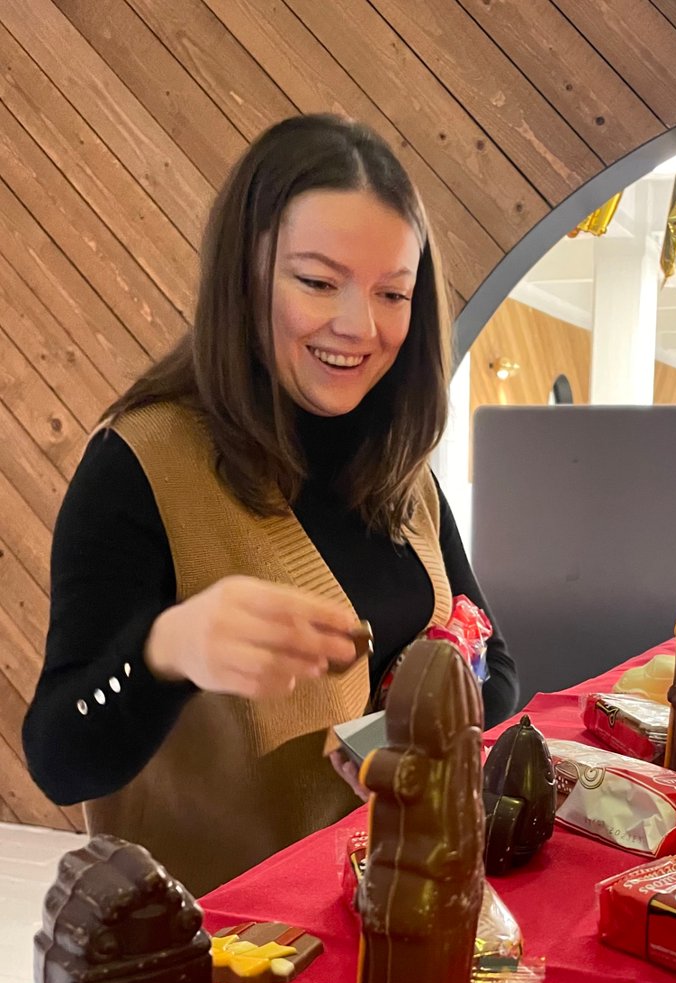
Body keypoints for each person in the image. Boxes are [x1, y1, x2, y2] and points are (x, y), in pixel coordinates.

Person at [22, 115, 518, 896]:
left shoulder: (399, 466)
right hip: (219, 963)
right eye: (318, 282)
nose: (360, 326)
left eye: (392, 292)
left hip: (394, 915)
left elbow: (498, 667)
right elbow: (58, 754)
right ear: (244, 275)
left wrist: (398, 737)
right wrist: (164, 653)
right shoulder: (142, 464)